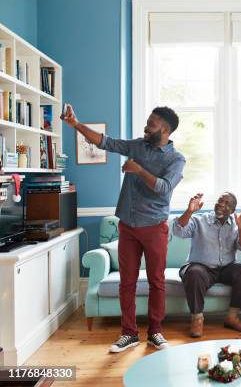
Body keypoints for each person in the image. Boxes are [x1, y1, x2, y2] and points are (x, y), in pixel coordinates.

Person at [62, 105, 185, 353]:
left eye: (151, 123)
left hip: (155, 226)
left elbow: (163, 188)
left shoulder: (176, 159)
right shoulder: (137, 145)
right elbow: (106, 142)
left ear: (165, 129)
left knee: (156, 282)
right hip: (127, 225)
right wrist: (76, 124)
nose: (146, 126)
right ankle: (129, 333)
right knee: (126, 283)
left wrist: (138, 170)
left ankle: (155, 332)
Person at [173, 192, 241, 337]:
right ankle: (197, 319)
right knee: (194, 273)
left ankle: (232, 317)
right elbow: (178, 230)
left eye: (227, 203)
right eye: (220, 200)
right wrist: (189, 211)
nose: (222, 204)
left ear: (232, 210)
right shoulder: (200, 220)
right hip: (201, 267)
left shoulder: (235, 225)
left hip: (226, 268)